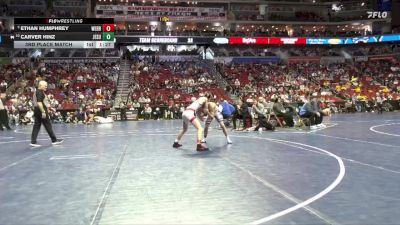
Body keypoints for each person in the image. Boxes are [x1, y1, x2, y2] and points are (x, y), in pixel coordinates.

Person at [30, 81, 63, 147]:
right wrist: (43, 111)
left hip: (36, 110)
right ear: (40, 85)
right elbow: (39, 103)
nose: (46, 87)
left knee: (37, 125)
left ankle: (33, 141)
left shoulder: (37, 92)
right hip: (40, 110)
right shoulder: (39, 92)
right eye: (45, 85)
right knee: (47, 125)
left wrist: (50, 108)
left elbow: (43, 102)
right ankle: (54, 140)